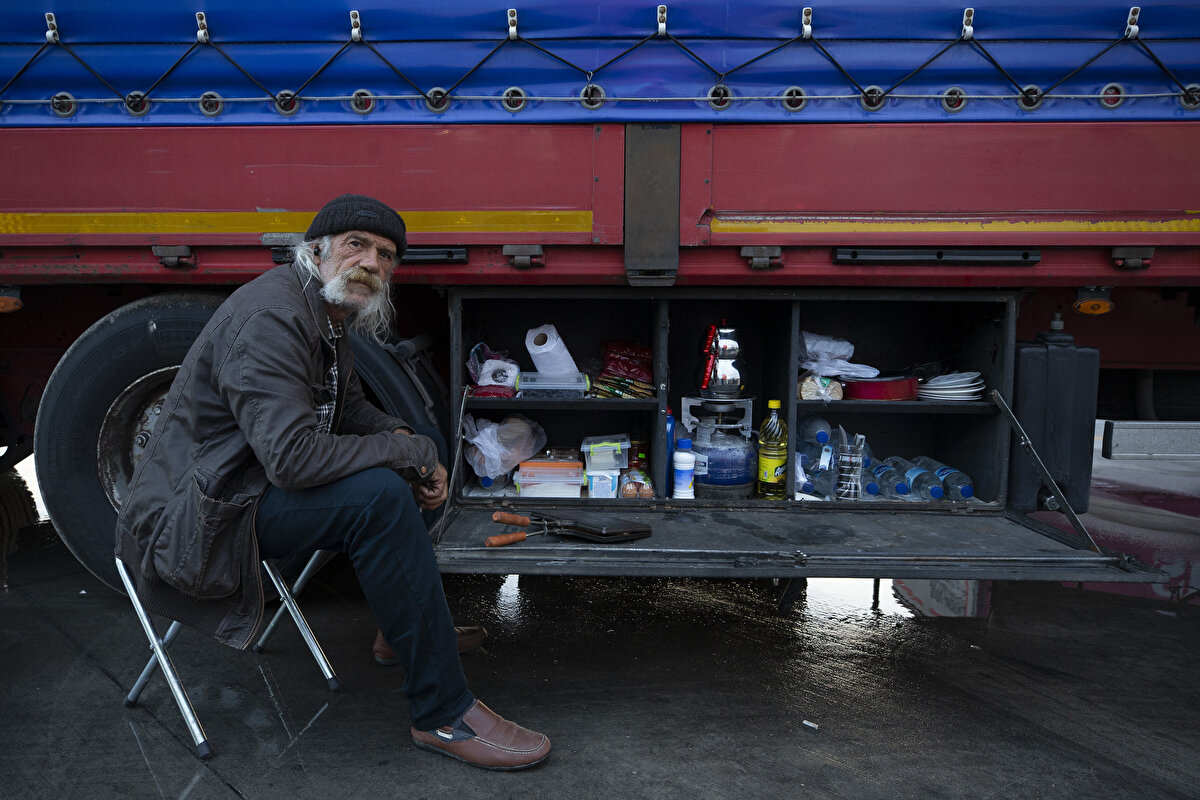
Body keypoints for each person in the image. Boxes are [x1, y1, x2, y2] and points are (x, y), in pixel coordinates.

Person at [115, 193, 550, 771]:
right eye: (357, 245)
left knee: (411, 460)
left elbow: (347, 413)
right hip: (196, 517)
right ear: (316, 250)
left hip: (241, 489)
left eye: (387, 255)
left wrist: (412, 446)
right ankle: (443, 713)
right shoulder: (274, 320)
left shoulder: (327, 312)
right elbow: (292, 460)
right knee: (381, 498)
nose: (372, 262)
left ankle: (403, 632)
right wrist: (403, 453)